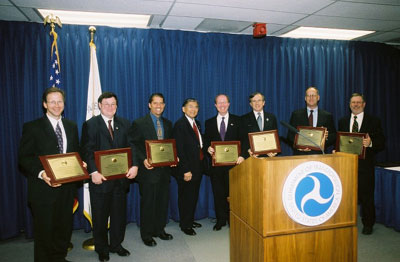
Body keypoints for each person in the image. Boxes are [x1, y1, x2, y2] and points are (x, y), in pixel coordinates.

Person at [18, 87, 80, 262]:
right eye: (52, 101)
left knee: (63, 229)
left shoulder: (71, 126)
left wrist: (80, 163)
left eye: (59, 101)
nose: (56, 105)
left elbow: (75, 152)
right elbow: (24, 158)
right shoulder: (32, 127)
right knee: (45, 233)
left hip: (67, 190)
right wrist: (41, 173)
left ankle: (60, 258)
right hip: (43, 191)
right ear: (45, 104)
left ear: (64, 104)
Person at [80, 92, 138, 262]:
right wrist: (93, 172)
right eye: (106, 104)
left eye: (113, 104)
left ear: (117, 106)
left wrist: (135, 165)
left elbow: (132, 146)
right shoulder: (90, 125)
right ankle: (102, 248)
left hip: (120, 180)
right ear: (99, 105)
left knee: (119, 215)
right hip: (100, 180)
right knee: (100, 216)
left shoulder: (125, 124)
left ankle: (116, 245)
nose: (110, 107)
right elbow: (86, 150)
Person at [130, 93, 174, 247]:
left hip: (164, 171)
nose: (158, 106)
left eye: (161, 103)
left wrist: (175, 157)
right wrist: (143, 159)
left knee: (162, 202)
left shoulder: (168, 124)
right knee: (148, 203)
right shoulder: (139, 123)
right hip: (147, 171)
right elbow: (133, 145)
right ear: (149, 105)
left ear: (164, 105)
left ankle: (159, 230)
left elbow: (170, 146)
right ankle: (147, 234)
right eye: (155, 103)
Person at [338, 93, 385, 235]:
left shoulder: (374, 121)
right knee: (345, 195)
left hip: (365, 165)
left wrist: (370, 143)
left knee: (366, 196)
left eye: (359, 102)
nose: (356, 105)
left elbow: (382, 142)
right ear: (349, 104)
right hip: (347, 165)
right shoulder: (343, 121)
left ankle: (368, 223)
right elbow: (340, 140)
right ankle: (345, 222)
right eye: (353, 102)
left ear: (364, 104)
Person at [203, 94, 244, 231]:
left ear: (229, 104)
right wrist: (207, 148)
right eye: (219, 103)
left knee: (233, 194)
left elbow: (244, 141)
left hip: (234, 166)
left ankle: (232, 220)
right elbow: (205, 143)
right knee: (218, 194)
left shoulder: (238, 121)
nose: (222, 105)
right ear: (215, 105)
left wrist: (242, 155)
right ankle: (220, 220)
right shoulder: (208, 123)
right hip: (217, 167)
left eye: (224, 102)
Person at [173, 98, 204, 236]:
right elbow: (179, 149)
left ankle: (189, 220)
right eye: (190, 106)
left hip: (197, 167)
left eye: (196, 107)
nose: (193, 109)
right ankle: (185, 225)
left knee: (193, 196)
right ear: (183, 109)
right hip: (187, 169)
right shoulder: (180, 125)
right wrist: (185, 169)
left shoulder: (196, 123)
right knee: (186, 197)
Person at [287, 87, 336, 155]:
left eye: (313, 95)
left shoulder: (327, 115)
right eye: (308, 95)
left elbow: (333, 135)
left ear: (318, 97)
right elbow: (290, 136)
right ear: (305, 98)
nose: (311, 98)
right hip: (301, 154)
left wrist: (325, 138)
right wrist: (298, 146)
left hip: (320, 154)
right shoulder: (296, 114)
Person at [240, 92, 278, 158]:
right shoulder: (244, 119)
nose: (257, 103)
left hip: (268, 156)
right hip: (251, 157)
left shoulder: (271, 117)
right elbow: (242, 139)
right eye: (254, 101)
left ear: (263, 103)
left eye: (259, 100)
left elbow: (275, 136)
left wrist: (274, 151)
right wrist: (248, 150)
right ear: (250, 104)